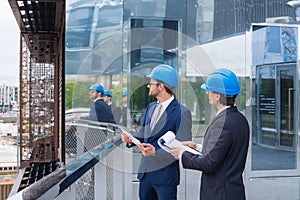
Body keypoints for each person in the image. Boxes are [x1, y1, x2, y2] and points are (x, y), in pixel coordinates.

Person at [170, 68, 250, 200]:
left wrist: (182, 153)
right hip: (233, 191)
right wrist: (197, 147)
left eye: (209, 90)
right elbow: (224, 153)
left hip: (219, 193)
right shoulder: (240, 119)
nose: (207, 93)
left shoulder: (223, 123)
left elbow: (209, 163)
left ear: (218, 96)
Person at [121, 64, 192, 200]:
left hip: (165, 177)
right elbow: (144, 133)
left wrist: (155, 152)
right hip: (146, 174)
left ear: (161, 86)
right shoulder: (151, 107)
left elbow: (182, 146)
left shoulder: (182, 112)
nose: (148, 86)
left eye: (151, 83)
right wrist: (132, 139)